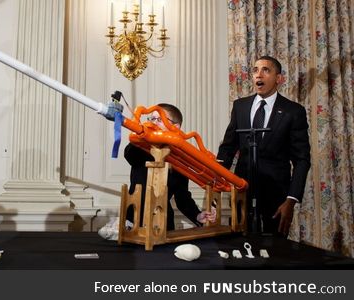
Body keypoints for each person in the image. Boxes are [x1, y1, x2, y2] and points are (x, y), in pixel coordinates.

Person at [217, 56, 311, 236]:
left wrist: (291, 200)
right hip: (241, 193)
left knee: (275, 252)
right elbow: (228, 148)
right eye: (255, 70)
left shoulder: (293, 111)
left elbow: (302, 160)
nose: (258, 74)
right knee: (239, 247)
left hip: (276, 196)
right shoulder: (240, 106)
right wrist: (216, 182)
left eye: (266, 70)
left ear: (279, 78)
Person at [124, 103, 216, 231]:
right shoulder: (141, 148)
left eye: (159, 119)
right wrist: (142, 135)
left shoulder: (180, 158)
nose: (153, 123)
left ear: (175, 127)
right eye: (151, 119)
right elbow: (129, 154)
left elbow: (182, 197)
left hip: (163, 224)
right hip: (133, 221)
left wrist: (197, 215)